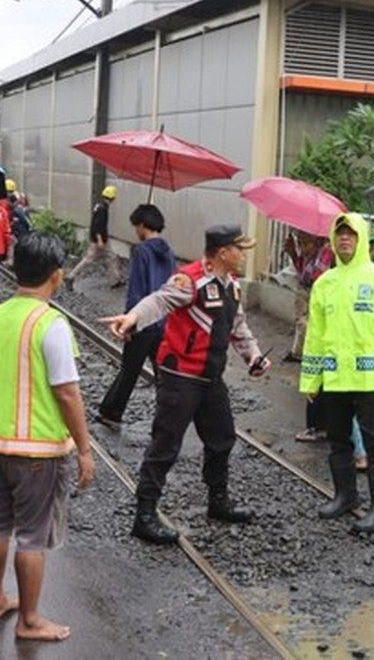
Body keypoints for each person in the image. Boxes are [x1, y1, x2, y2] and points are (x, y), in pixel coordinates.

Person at [101, 224, 270, 545]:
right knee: (165, 445)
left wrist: (254, 357)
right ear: (223, 252)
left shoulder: (232, 285)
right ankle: (145, 515)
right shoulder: (190, 280)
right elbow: (158, 301)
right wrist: (131, 319)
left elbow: (238, 327)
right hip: (181, 378)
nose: (245, 255)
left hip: (211, 378)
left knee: (222, 439)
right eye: (241, 249)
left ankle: (218, 501)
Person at [0, 233, 95, 643]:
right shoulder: (50, 323)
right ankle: (29, 620)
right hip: (39, 450)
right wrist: (84, 448)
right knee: (31, 535)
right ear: (57, 276)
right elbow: (66, 391)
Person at [300, 214, 374, 534]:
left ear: (361, 239)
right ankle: (345, 495)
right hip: (335, 378)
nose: (345, 239)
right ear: (333, 239)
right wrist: (310, 379)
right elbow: (315, 334)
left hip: (370, 379)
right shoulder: (324, 283)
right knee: (337, 439)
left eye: (351, 234)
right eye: (340, 234)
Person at [96, 204, 176, 428]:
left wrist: (129, 322)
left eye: (136, 226)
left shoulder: (141, 251)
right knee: (163, 374)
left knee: (129, 370)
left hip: (142, 320)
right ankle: (169, 417)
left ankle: (111, 412)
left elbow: (137, 288)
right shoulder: (168, 251)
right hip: (163, 321)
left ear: (142, 225)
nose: (135, 231)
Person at [283, 232, 332, 363]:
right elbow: (302, 270)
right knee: (300, 321)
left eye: (306, 244)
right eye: (300, 244)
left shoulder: (325, 252)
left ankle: (306, 352)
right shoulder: (309, 255)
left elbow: (316, 277)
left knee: (306, 322)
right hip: (304, 289)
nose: (303, 249)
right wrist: (293, 253)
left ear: (316, 242)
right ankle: (297, 351)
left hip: (315, 290)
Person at [69, 186, 122, 287]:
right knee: (91, 259)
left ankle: (115, 280)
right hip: (100, 239)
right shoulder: (103, 209)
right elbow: (98, 225)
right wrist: (100, 240)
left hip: (98, 238)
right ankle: (71, 276)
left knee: (110, 258)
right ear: (112, 198)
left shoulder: (98, 206)